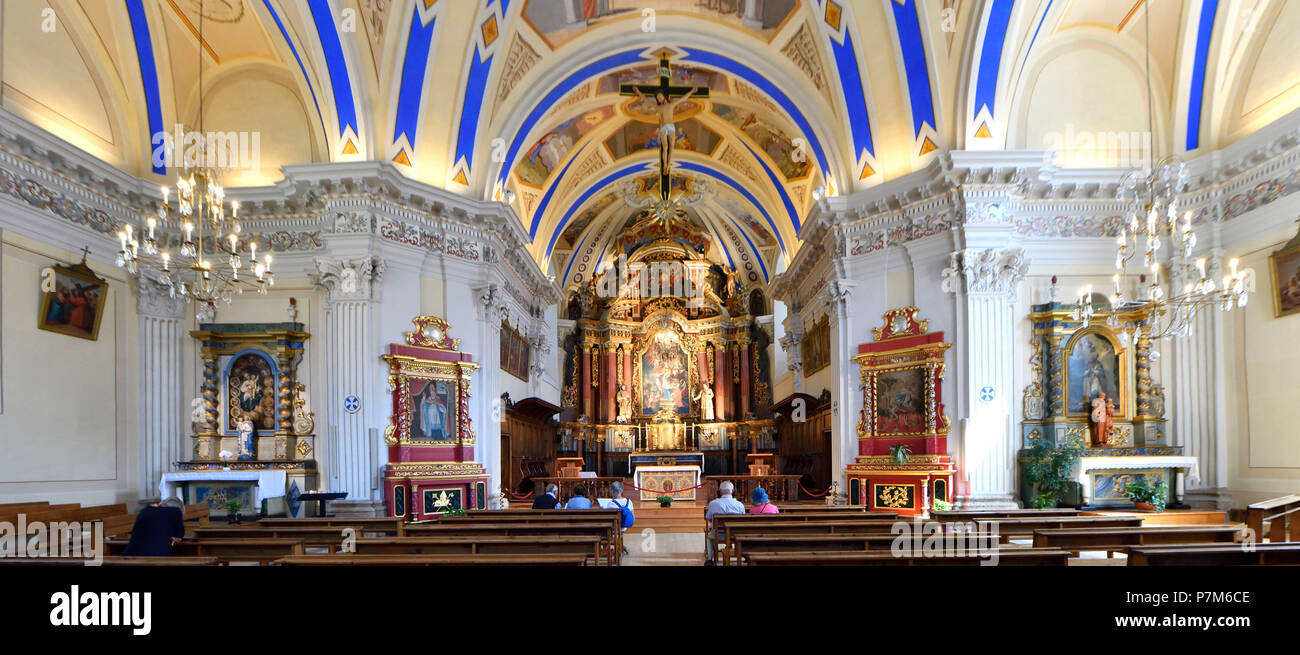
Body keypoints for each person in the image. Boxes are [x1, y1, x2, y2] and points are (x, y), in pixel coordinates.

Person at [121, 498, 186, 556]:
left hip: (130, 555)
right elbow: (179, 536)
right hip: (154, 556)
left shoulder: (144, 511)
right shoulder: (176, 511)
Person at [704, 481, 745, 565]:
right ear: (732, 491)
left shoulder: (713, 503)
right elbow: (742, 519)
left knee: (709, 537)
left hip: (719, 534)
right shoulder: (739, 505)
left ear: (720, 491)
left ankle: (710, 559)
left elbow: (708, 518)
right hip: (735, 534)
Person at [598, 481, 634, 555]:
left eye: (611, 491)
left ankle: (605, 549)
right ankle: (621, 546)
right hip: (624, 526)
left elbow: (607, 518)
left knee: (602, 529)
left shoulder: (611, 503)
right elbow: (633, 516)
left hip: (614, 527)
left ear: (613, 491)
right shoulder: (629, 501)